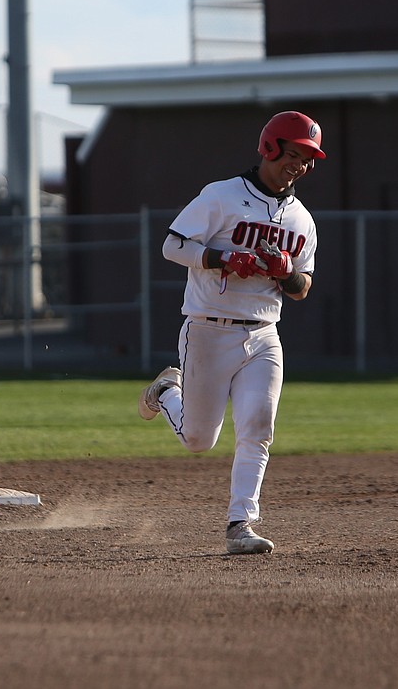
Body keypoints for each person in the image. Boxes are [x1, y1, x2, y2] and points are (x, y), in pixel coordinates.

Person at [138, 110, 324, 554]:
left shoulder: (302, 219)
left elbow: (302, 288)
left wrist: (284, 273)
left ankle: (241, 524)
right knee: (200, 440)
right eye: (294, 154)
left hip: (264, 335)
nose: (299, 166)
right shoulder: (222, 196)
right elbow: (172, 245)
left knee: (258, 426)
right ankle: (166, 391)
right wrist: (221, 259)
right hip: (208, 330)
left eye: (308, 159)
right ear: (270, 148)